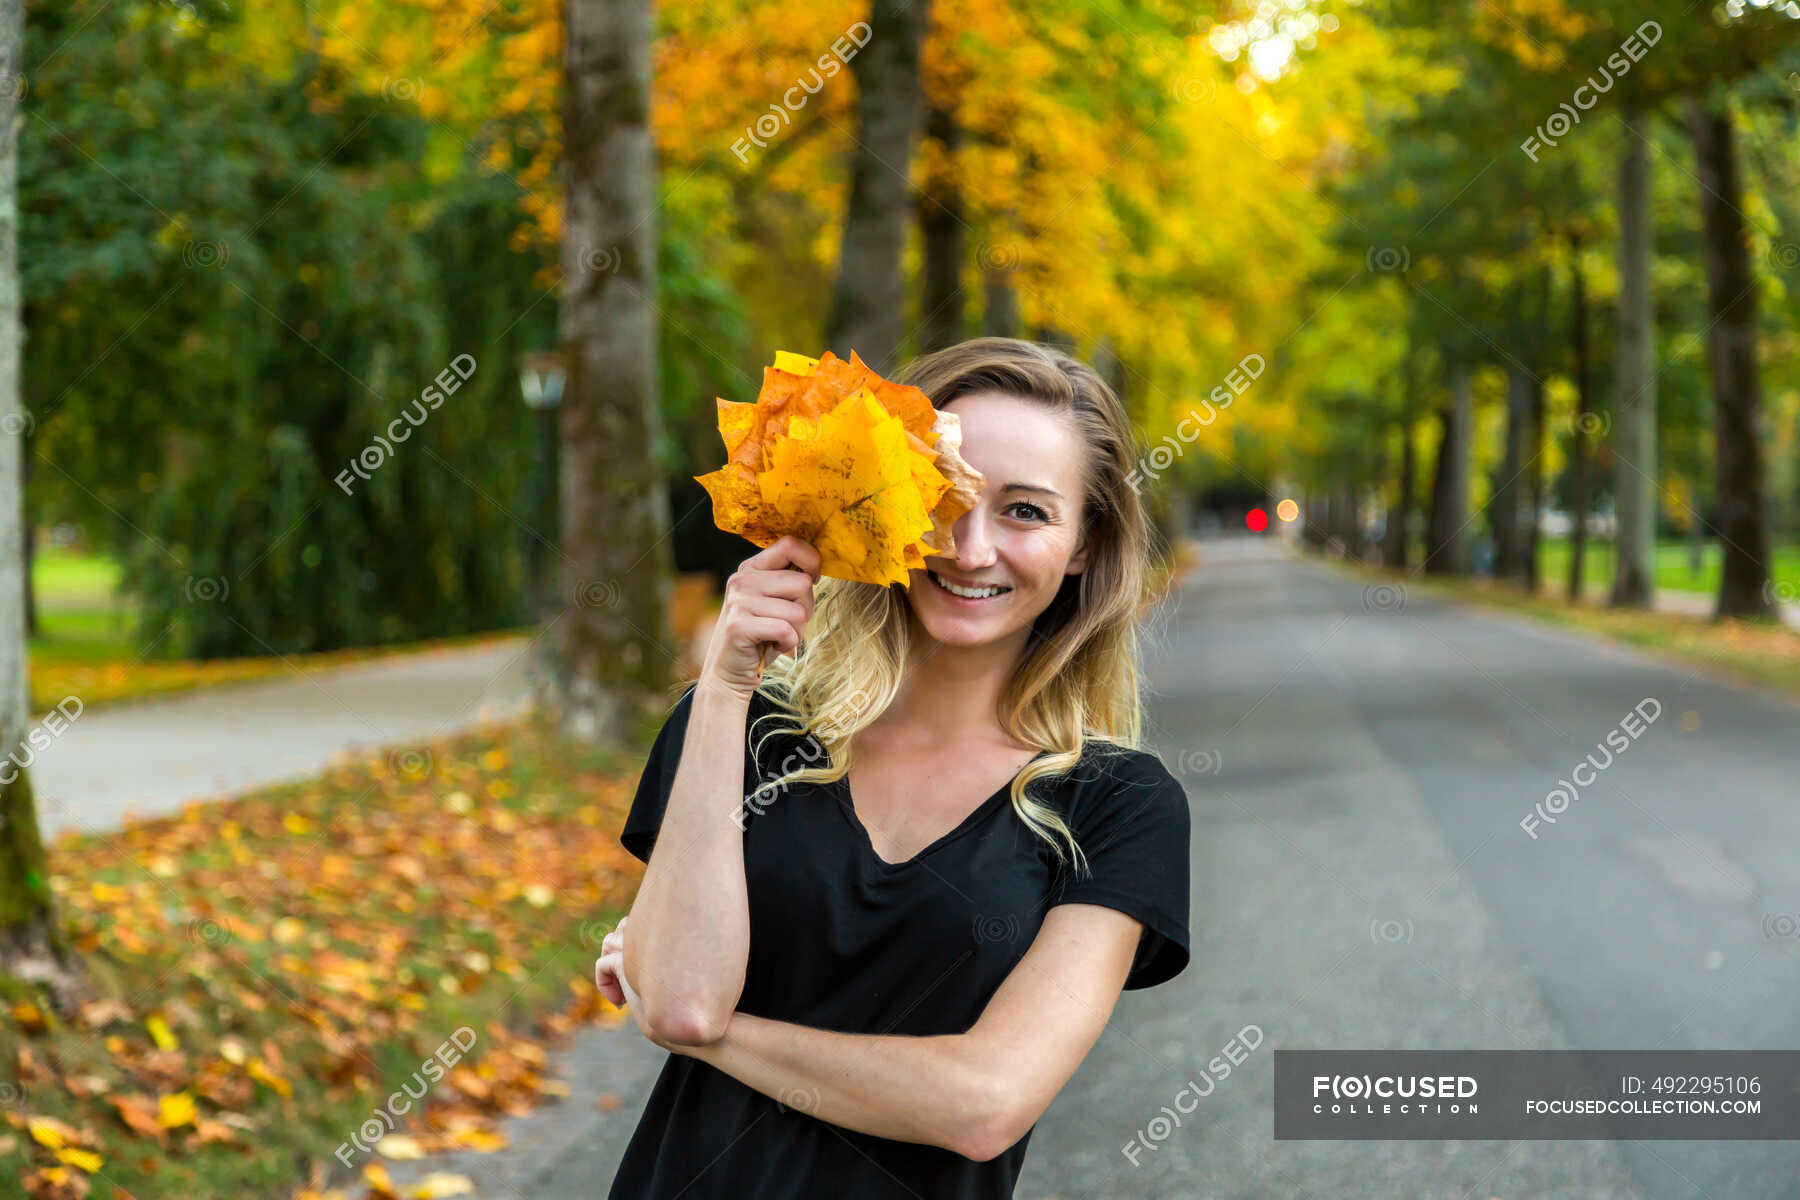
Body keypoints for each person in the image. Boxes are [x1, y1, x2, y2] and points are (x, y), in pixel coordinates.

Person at [595, 337, 1192, 1198]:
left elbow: (983, 1104)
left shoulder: (1119, 806)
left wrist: (712, 1036)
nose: (971, 546)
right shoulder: (745, 727)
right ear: (882, 498)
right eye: (945, 496)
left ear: (1084, 546)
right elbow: (686, 999)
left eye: (1026, 511)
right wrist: (725, 683)